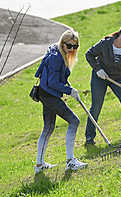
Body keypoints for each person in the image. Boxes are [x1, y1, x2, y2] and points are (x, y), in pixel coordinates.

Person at [34, 29, 87, 174]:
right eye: (69, 45)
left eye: (75, 47)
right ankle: (70, 161)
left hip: (46, 93)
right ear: (62, 43)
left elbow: (56, 76)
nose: (71, 49)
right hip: (49, 94)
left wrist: (65, 82)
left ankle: (39, 165)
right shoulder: (56, 57)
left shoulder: (58, 52)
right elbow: (52, 82)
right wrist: (69, 91)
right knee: (74, 121)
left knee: (49, 127)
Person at [84, 24, 121, 145]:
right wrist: (97, 69)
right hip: (100, 77)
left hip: (118, 77)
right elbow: (89, 54)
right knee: (96, 106)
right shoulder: (105, 44)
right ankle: (89, 137)